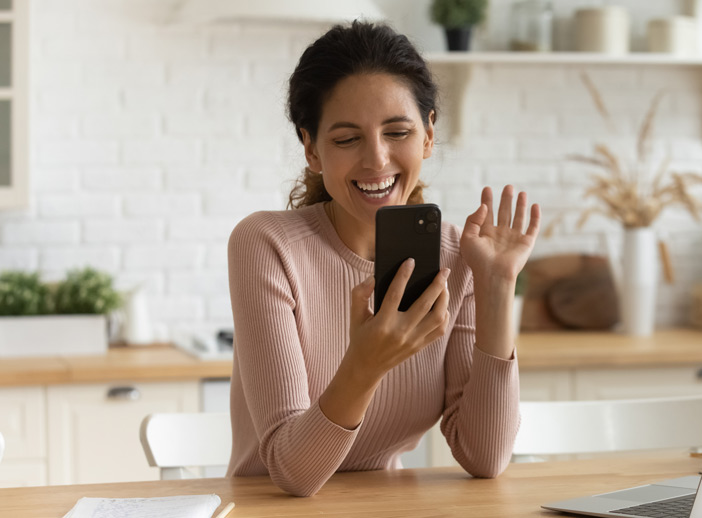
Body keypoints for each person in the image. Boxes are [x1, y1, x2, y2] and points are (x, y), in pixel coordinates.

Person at [226, 21, 540, 497]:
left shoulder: (460, 258)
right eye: (347, 139)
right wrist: (366, 363)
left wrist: (496, 287)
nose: (376, 160)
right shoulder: (268, 245)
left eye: (397, 132)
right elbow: (292, 473)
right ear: (311, 148)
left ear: (429, 135)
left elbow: (485, 456)